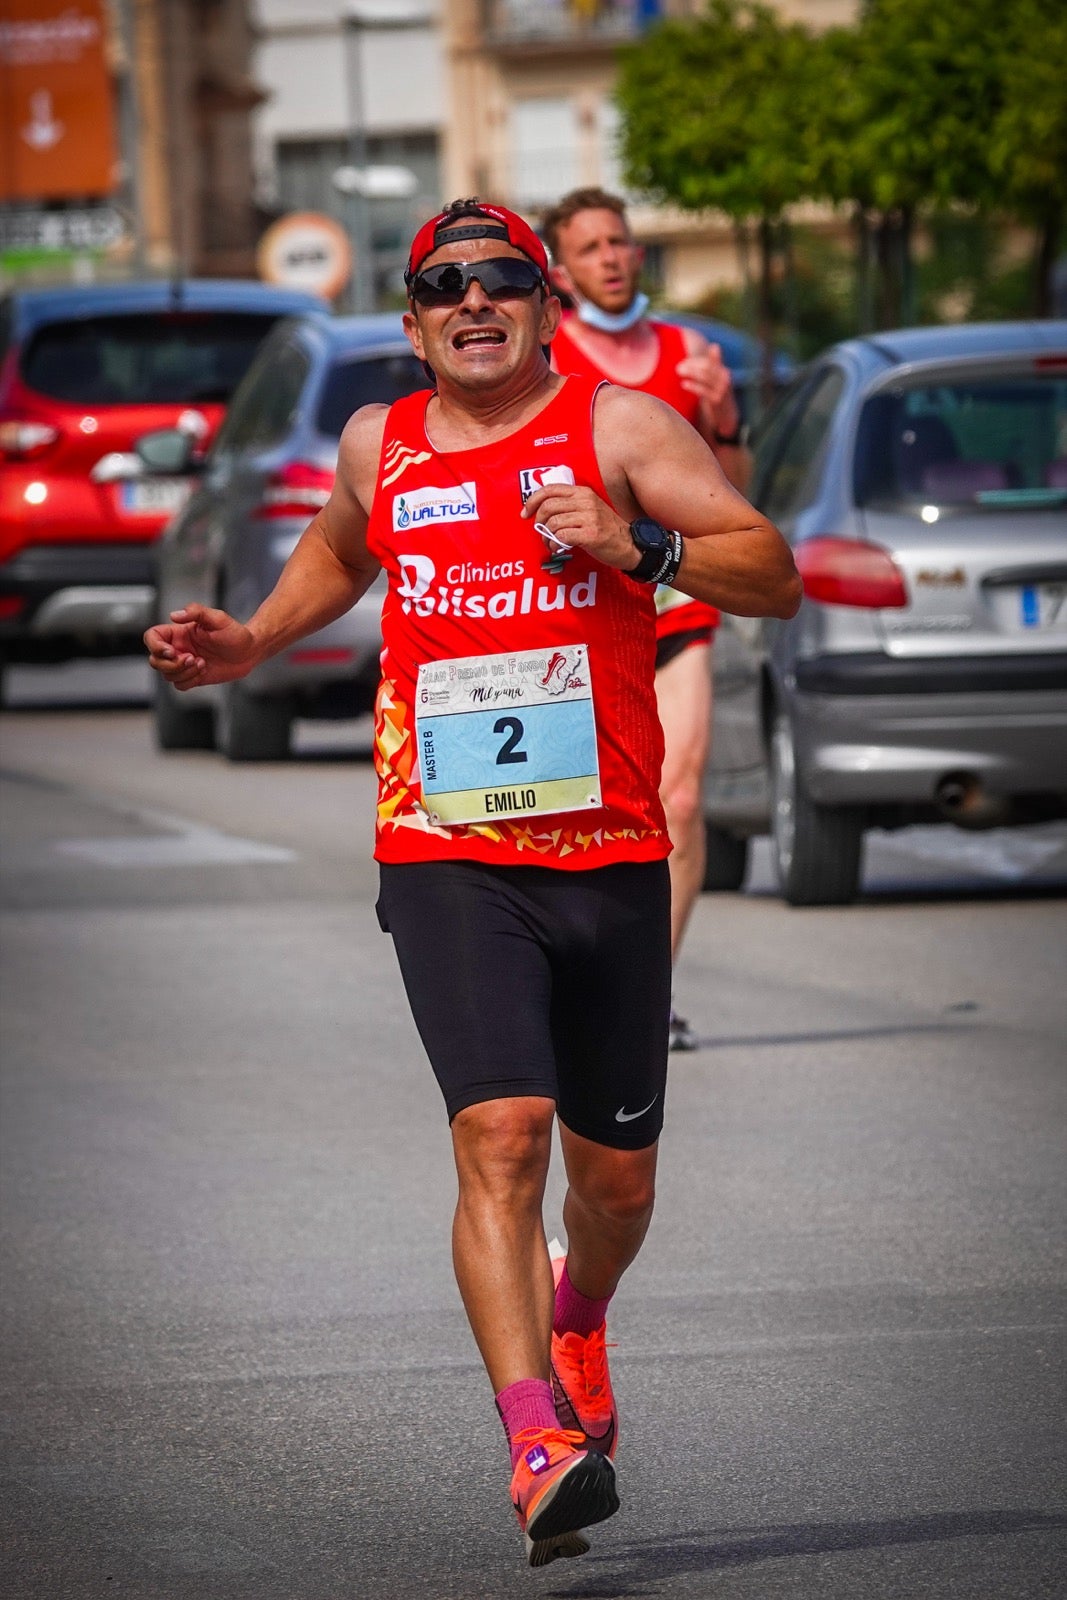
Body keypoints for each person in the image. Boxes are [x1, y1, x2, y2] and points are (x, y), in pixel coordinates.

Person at [144, 200, 800, 1568]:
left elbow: (770, 570)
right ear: (412, 321)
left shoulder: (619, 427)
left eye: (502, 278)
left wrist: (638, 548)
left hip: (607, 854)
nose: (473, 300)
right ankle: (532, 1443)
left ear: (544, 304)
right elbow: (340, 544)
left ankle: (577, 1317)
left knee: (612, 1189)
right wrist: (253, 637)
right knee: (502, 1134)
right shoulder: (376, 443)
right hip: (447, 850)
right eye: (444, 285)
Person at [543, 187, 749, 1052]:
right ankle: (561, 973)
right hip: (581, 608)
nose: (612, 259)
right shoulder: (548, 358)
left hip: (673, 592)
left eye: (621, 242)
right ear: (559, 268)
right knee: (572, 799)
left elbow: (733, 498)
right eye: (591, 247)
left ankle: (643, 997)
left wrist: (726, 416)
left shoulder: (686, 354)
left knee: (683, 792)